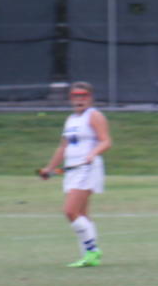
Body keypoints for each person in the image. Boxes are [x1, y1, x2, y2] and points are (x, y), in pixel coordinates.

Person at [38, 81, 111, 267]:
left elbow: (106, 141)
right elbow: (63, 147)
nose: (79, 100)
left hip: (87, 168)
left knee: (70, 211)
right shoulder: (71, 119)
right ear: (71, 99)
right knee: (82, 214)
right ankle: (89, 256)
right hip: (72, 170)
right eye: (76, 96)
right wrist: (50, 168)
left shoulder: (94, 116)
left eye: (83, 96)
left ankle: (92, 251)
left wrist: (92, 153)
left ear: (90, 98)